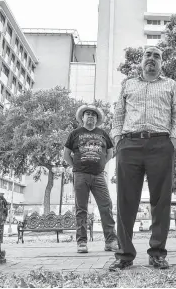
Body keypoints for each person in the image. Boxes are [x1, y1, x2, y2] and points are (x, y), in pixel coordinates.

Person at [109, 46, 176, 271]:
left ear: (162, 62)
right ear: (141, 61)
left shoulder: (171, 85)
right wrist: (117, 140)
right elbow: (119, 115)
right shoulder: (128, 84)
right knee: (125, 201)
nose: (151, 59)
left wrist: (172, 141)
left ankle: (157, 253)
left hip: (161, 143)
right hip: (129, 144)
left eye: (156, 56)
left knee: (161, 201)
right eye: (147, 55)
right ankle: (124, 254)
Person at [63, 104, 119, 254]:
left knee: (106, 206)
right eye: (87, 114)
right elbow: (66, 155)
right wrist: (76, 166)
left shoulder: (103, 134)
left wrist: (101, 165)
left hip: (99, 176)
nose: (90, 116)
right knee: (81, 209)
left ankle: (111, 241)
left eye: (93, 115)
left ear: (97, 119)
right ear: (82, 117)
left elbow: (110, 153)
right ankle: (81, 242)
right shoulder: (75, 133)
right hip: (80, 175)